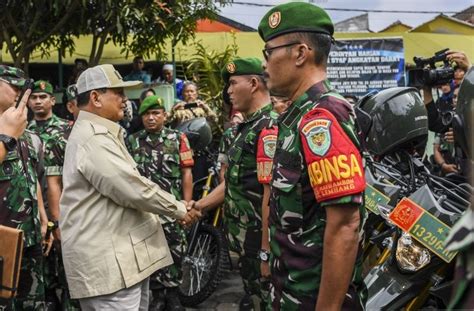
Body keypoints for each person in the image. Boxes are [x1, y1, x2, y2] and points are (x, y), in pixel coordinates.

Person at [59, 64, 200, 310]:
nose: (125, 100)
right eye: (118, 93)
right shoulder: (94, 138)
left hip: (121, 261)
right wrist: (178, 208)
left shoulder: (102, 133)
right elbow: (133, 189)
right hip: (110, 268)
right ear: (95, 97)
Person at [257, 2, 367, 309]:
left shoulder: (324, 117)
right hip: (290, 291)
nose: (264, 64)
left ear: (300, 53)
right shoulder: (298, 116)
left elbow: (345, 225)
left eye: (269, 52)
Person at [190, 57, 277, 310]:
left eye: (232, 83)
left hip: (261, 243)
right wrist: (200, 205)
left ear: (253, 83)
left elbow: (270, 194)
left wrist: (265, 252)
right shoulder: (243, 130)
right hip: (245, 243)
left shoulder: (268, 128)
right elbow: (231, 183)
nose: (227, 91)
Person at [126, 95, 194, 311]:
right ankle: (157, 295)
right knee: (149, 252)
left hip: (171, 206)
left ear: (165, 115)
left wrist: (186, 202)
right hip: (145, 210)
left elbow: (186, 173)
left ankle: (173, 294)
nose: (151, 118)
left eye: (156, 113)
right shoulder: (132, 141)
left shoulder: (178, 138)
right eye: (146, 114)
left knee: (175, 249)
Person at [0, 65, 52, 310]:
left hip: (29, 238)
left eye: (25, 91)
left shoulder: (30, 137)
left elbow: (32, 176)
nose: (21, 96)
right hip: (3, 242)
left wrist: (44, 219)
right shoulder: (8, 134)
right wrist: (5, 136)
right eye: (14, 87)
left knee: (31, 302)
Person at [433, 85, 459, 175]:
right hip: (451, 172)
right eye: (454, 96)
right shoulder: (447, 120)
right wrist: (443, 165)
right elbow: (436, 149)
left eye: (460, 96)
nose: (456, 99)